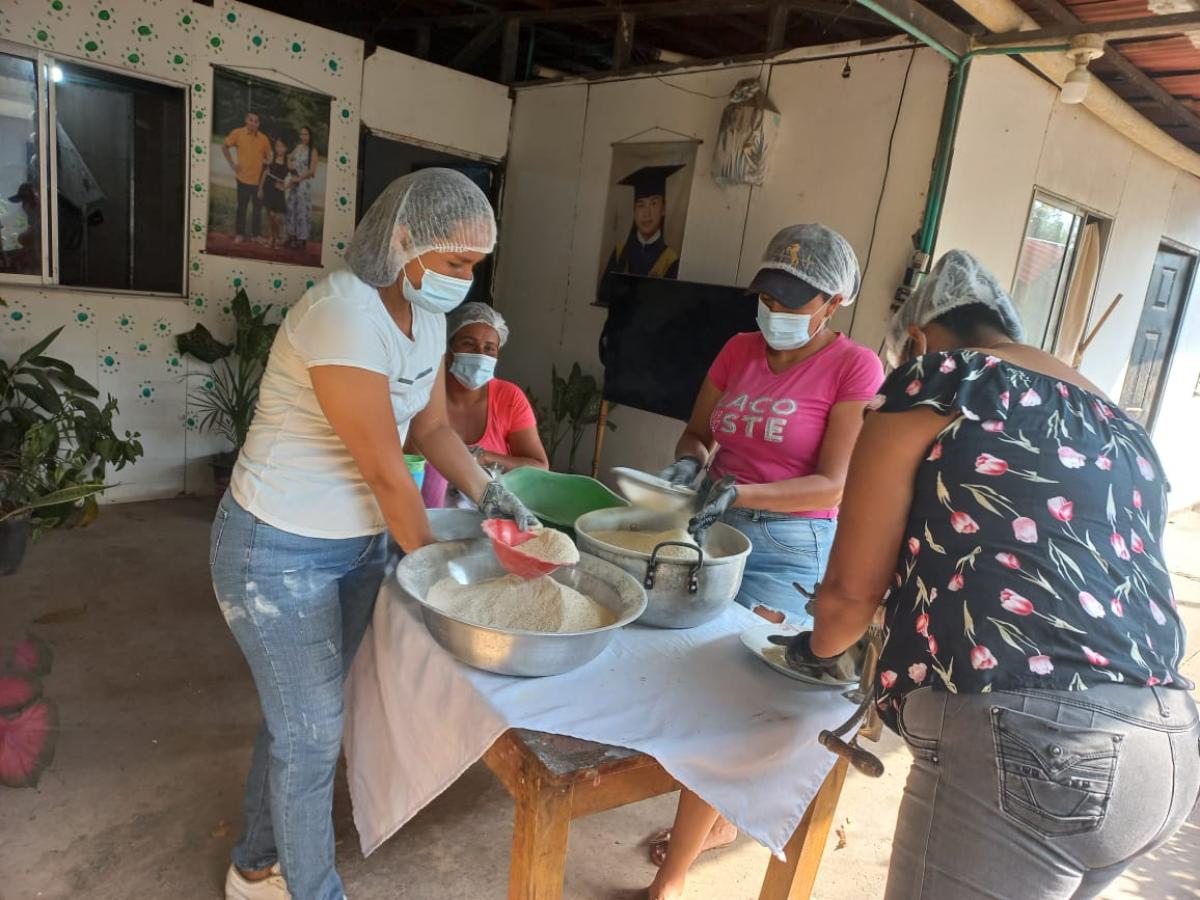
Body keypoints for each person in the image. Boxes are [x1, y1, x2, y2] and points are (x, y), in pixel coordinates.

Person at [780, 250, 1197, 900]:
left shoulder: (937, 380)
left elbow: (847, 596)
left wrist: (815, 651)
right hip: (1167, 747)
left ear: (915, 340)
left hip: (1041, 746)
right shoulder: (1117, 421)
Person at [210, 169, 535, 900]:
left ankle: (254, 863)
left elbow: (428, 428)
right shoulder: (342, 316)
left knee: (300, 721)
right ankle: (311, 890)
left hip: (358, 544)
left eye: (474, 266)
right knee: (312, 732)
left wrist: (492, 493)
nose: (465, 278)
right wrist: (450, 584)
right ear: (402, 242)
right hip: (277, 550)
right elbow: (391, 476)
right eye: (455, 262)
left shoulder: (426, 319)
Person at [643, 223, 885, 900]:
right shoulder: (738, 350)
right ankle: (716, 816)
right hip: (715, 526)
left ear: (832, 303)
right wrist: (689, 465)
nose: (776, 312)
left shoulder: (854, 367)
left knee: (732, 688)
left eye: (794, 300)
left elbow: (836, 481)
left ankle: (674, 875)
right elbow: (698, 433)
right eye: (769, 296)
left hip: (791, 544)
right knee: (675, 654)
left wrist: (737, 490)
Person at [418, 301, 549, 509]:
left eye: (489, 348)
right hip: (429, 509)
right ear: (448, 350)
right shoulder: (423, 391)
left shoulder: (509, 398)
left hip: (491, 512)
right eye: (469, 344)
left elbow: (539, 468)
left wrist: (482, 458)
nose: (480, 354)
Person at [603, 164, 684, 279]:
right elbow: (604, 294)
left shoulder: (670, 261)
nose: (647, 213)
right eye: (641, 205)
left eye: (653, 203)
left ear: (664, 209)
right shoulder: (619, 254)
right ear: (634, 211)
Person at [222, 111, 272, 245]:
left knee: (257, 209)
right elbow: (224, 146)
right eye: (251, 120)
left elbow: (269, 155)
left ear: (259, 124)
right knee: (242, 208)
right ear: (246, 121)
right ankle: (240, 234)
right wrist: (232, 164)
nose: (254, 123)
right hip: (243, 179)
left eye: (256, 121)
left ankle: (256, 235)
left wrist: (268, 160)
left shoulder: (264, 138)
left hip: (258, 182)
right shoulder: (237, 133)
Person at [286, 125, 318, 250]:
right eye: (301, 134)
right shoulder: (298, 147)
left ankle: (302, 239)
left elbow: (311, 170)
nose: (303, 137)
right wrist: (291, 168)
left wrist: (299, 179)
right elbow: (289, 157)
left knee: (302, 210)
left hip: (303, 184)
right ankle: (292, 236)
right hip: (294, 181)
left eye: (306, 134)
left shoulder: (313, 151)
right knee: (291, 207)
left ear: (310, 136)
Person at [258, 138, 289, 250]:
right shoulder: (272, 157)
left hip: (278, 190)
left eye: (281, 146)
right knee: (270, 215)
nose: (279, 148)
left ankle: (276, 238)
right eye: (277, 146)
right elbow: (266, 173)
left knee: (274, 216)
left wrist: (285, 187)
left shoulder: (288, 160)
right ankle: (272, 238)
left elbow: (295, 178)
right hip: (268, 186)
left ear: (286, 148)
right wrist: (260, 189)